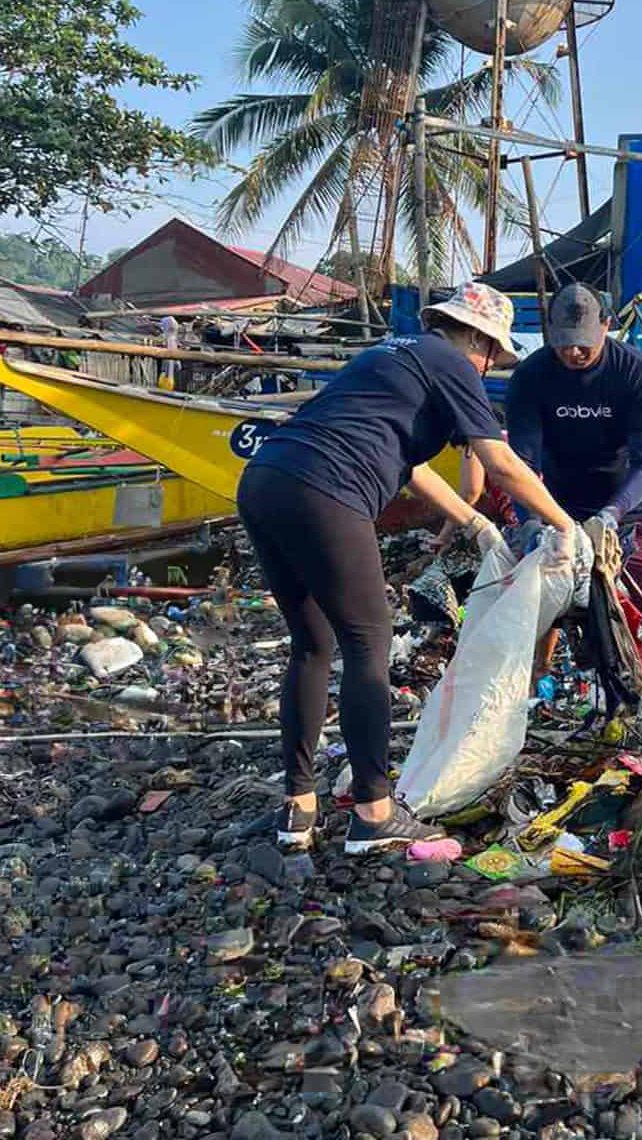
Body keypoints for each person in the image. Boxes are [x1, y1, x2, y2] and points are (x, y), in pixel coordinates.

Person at [237, 282, 576, 854]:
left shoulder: (386, 356)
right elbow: (500, 461)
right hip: (328, 492)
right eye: (489, 353)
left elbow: (412, 467)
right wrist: (563, 523)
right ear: (477, 338)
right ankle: (373, 811)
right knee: (369, 642)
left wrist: (473, 524)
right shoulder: (452, 362)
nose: (486, 363)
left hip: (266, 479)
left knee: (311, 645)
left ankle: (298, 810)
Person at [503, 283, 642, 724]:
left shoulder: (634, 373)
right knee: (533, 605)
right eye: (564, 344)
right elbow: (522, 465)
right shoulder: (531, 378)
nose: (573, 354)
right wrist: (531, 523)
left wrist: (611, 516)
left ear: (606, 327)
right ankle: (527, 703)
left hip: (637, 506)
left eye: (584, 344)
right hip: (561, 507)